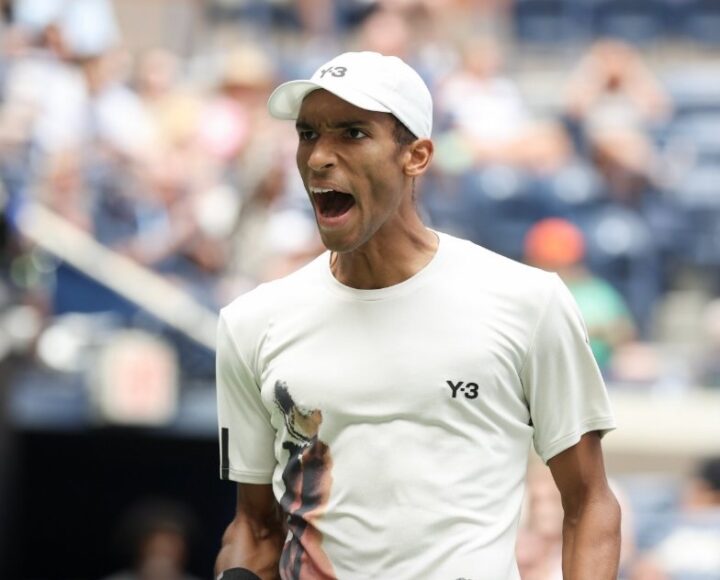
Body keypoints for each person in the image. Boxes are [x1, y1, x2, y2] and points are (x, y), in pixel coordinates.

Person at [215, 51, 620, 579]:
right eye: (308, 134)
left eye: (353, 133)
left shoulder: (528, 302)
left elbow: (589, 504)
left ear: (417, 156)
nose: (318, 158)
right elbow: (255, 529)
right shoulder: (250, 322)